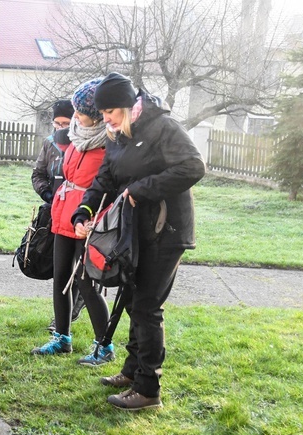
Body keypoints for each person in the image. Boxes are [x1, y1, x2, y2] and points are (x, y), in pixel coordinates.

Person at [72, 72, 205, 410]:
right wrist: (83, 212)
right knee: (131, 301)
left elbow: (193, 167)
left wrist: (139, 190)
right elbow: (104, 178)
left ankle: (148, 390)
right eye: (102, 114)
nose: (105, 119)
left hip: (167, 231)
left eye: (109, 113)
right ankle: (132, 372)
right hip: (136, 232)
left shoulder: (163, 127)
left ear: (128, 106)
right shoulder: (117, 134)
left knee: (146, 307)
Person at [30, 79, 111, 364]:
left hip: (89, 221)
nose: (75, 116)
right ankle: (62, 338)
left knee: (87, 283)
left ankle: (105, 345)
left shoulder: (109, 143)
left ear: (97, 113)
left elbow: (107, 186)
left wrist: (93, 218)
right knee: (60, 277)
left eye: (80, 111)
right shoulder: (74, 135)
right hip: (63, 215)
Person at [30, 99, 86, 331]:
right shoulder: (49, 144)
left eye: (66, 122)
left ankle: (75, 306)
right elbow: (38, 174)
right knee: (60, 266)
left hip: (82, 212)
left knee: (79, 267)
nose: (61, 127)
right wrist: (46, 193)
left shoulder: (84, 143)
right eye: (57, 123)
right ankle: (62, 318)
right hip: (55, 210)